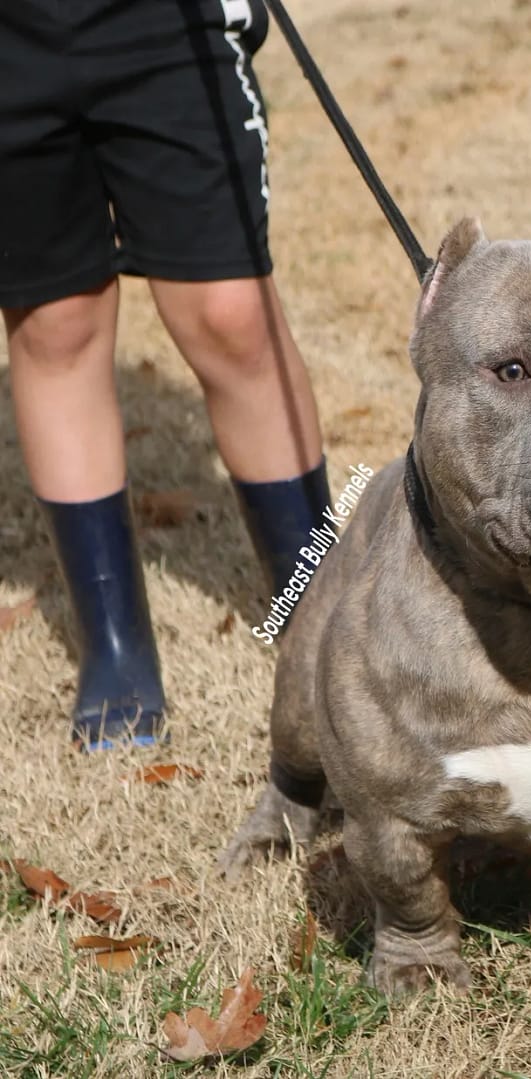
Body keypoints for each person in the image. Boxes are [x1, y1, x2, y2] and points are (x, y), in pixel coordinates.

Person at [0, 0, 331, 750]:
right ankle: (115, 645)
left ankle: (320, 613)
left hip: (163, 23)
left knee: (231, 315)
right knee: (56, 323)